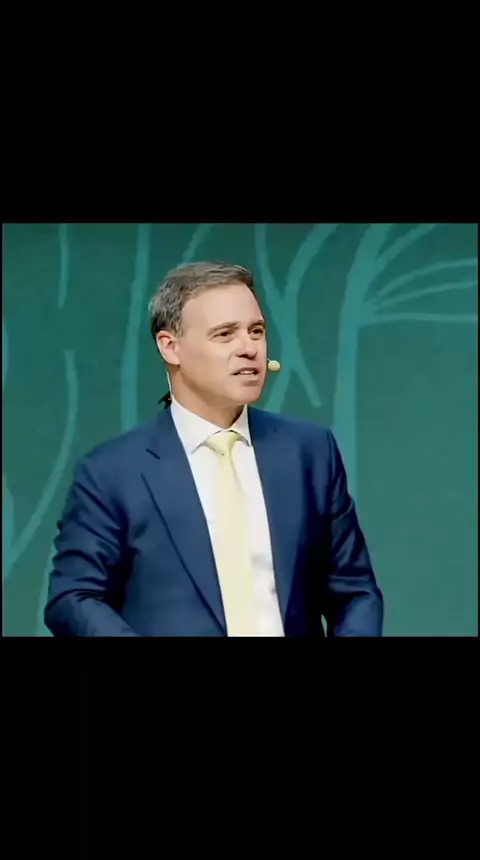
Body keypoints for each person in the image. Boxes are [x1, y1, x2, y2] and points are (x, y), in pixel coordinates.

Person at [44, 261, 383, 637]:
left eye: (256, 331)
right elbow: (73, 598)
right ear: (170, 347)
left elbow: (355, 592)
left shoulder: (310, 453)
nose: (249, 348)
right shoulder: (111, 473)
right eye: (225, 334)